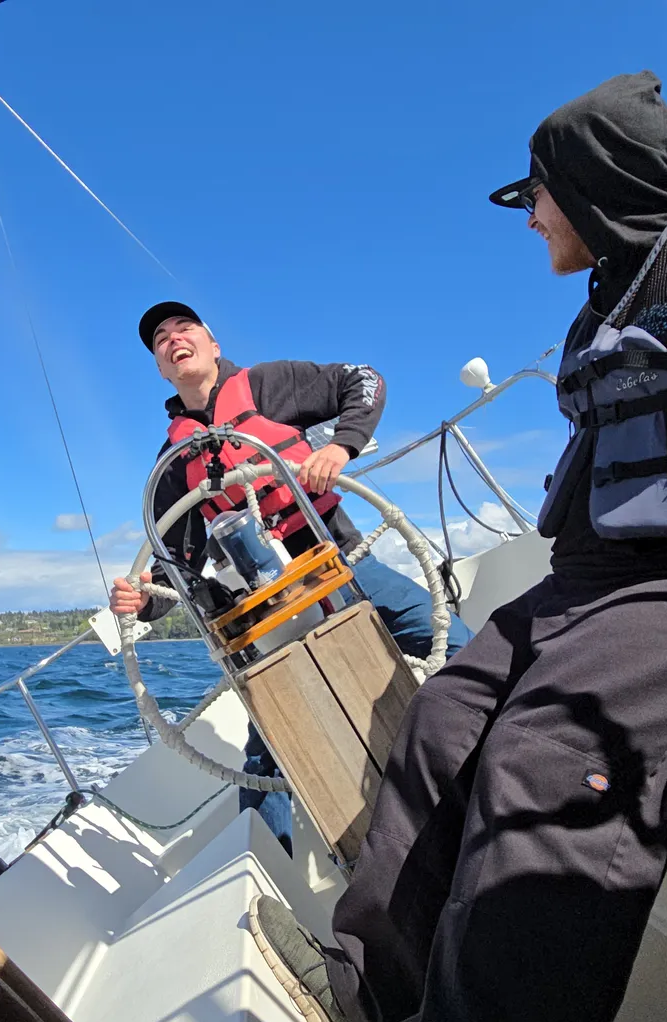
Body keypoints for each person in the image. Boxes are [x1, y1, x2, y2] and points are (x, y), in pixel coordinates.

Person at [247, 72, 667, 1022]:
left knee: (547, 751)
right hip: (585, 582)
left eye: (538, 195)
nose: (531, 220)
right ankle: (367, 1002)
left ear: (595, 180)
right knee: (437, 726)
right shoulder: (599, 307)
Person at [109, 301, 472, 854]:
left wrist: (341, 444)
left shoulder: (272, 385)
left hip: (339, 562)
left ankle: (486, 769)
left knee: (459, 645)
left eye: (184, 328)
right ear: (160, 366)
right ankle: (262, 869)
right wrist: (142, 601)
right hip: (266, 611)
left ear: (212, 343)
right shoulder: (174, 460)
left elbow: (365, 380)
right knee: (268, 746)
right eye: (160, 338)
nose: (172, 338)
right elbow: (173, 565)